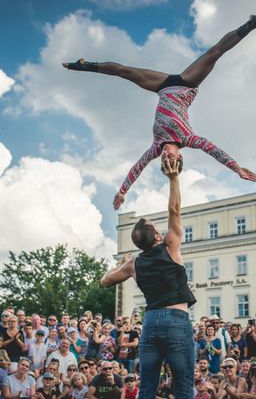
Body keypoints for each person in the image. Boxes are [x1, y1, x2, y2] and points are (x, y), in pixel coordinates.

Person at [63, 15, 256, 209]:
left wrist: (123, 191)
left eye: (164, 160)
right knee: (214, 53)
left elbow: (137, 169)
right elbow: (213, 150)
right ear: (179, 157)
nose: (165, 155)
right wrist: (236, 168)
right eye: (170, 159)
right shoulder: (189, 138)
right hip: (186, 84)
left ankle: (85, 65)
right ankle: (250, 24)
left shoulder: (155, 147)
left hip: (162, 87)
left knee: (124, 72)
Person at [100, 158, 196, 398]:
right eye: (156, 227)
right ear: (156, 237)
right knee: (183, 386)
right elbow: (174, 210)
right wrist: (173, 178)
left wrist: (121, 262)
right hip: (176, 319)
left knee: (147, 388)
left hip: (150, 322)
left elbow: (105, 281)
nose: (161, 230)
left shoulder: (133, 263)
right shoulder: (170, 246)